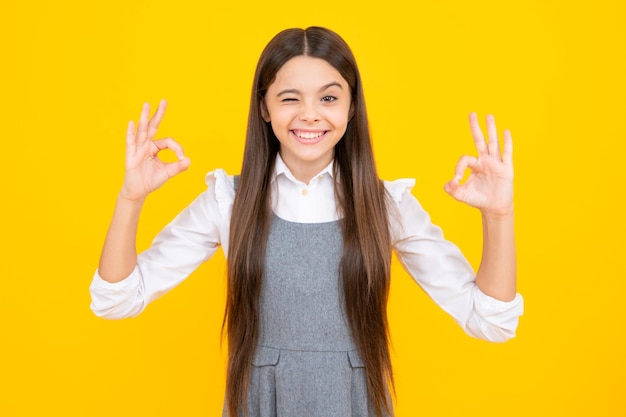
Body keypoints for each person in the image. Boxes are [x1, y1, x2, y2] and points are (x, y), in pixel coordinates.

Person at [90, 26, 523, 417]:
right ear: (264, 106)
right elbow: (118, 299)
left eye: (329, 97)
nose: (311, 114)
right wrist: (131, 198)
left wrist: (498, 215)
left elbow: (489, 319)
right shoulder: (228, 201)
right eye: (290, 98)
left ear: (352, 108)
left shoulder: (385, 204)